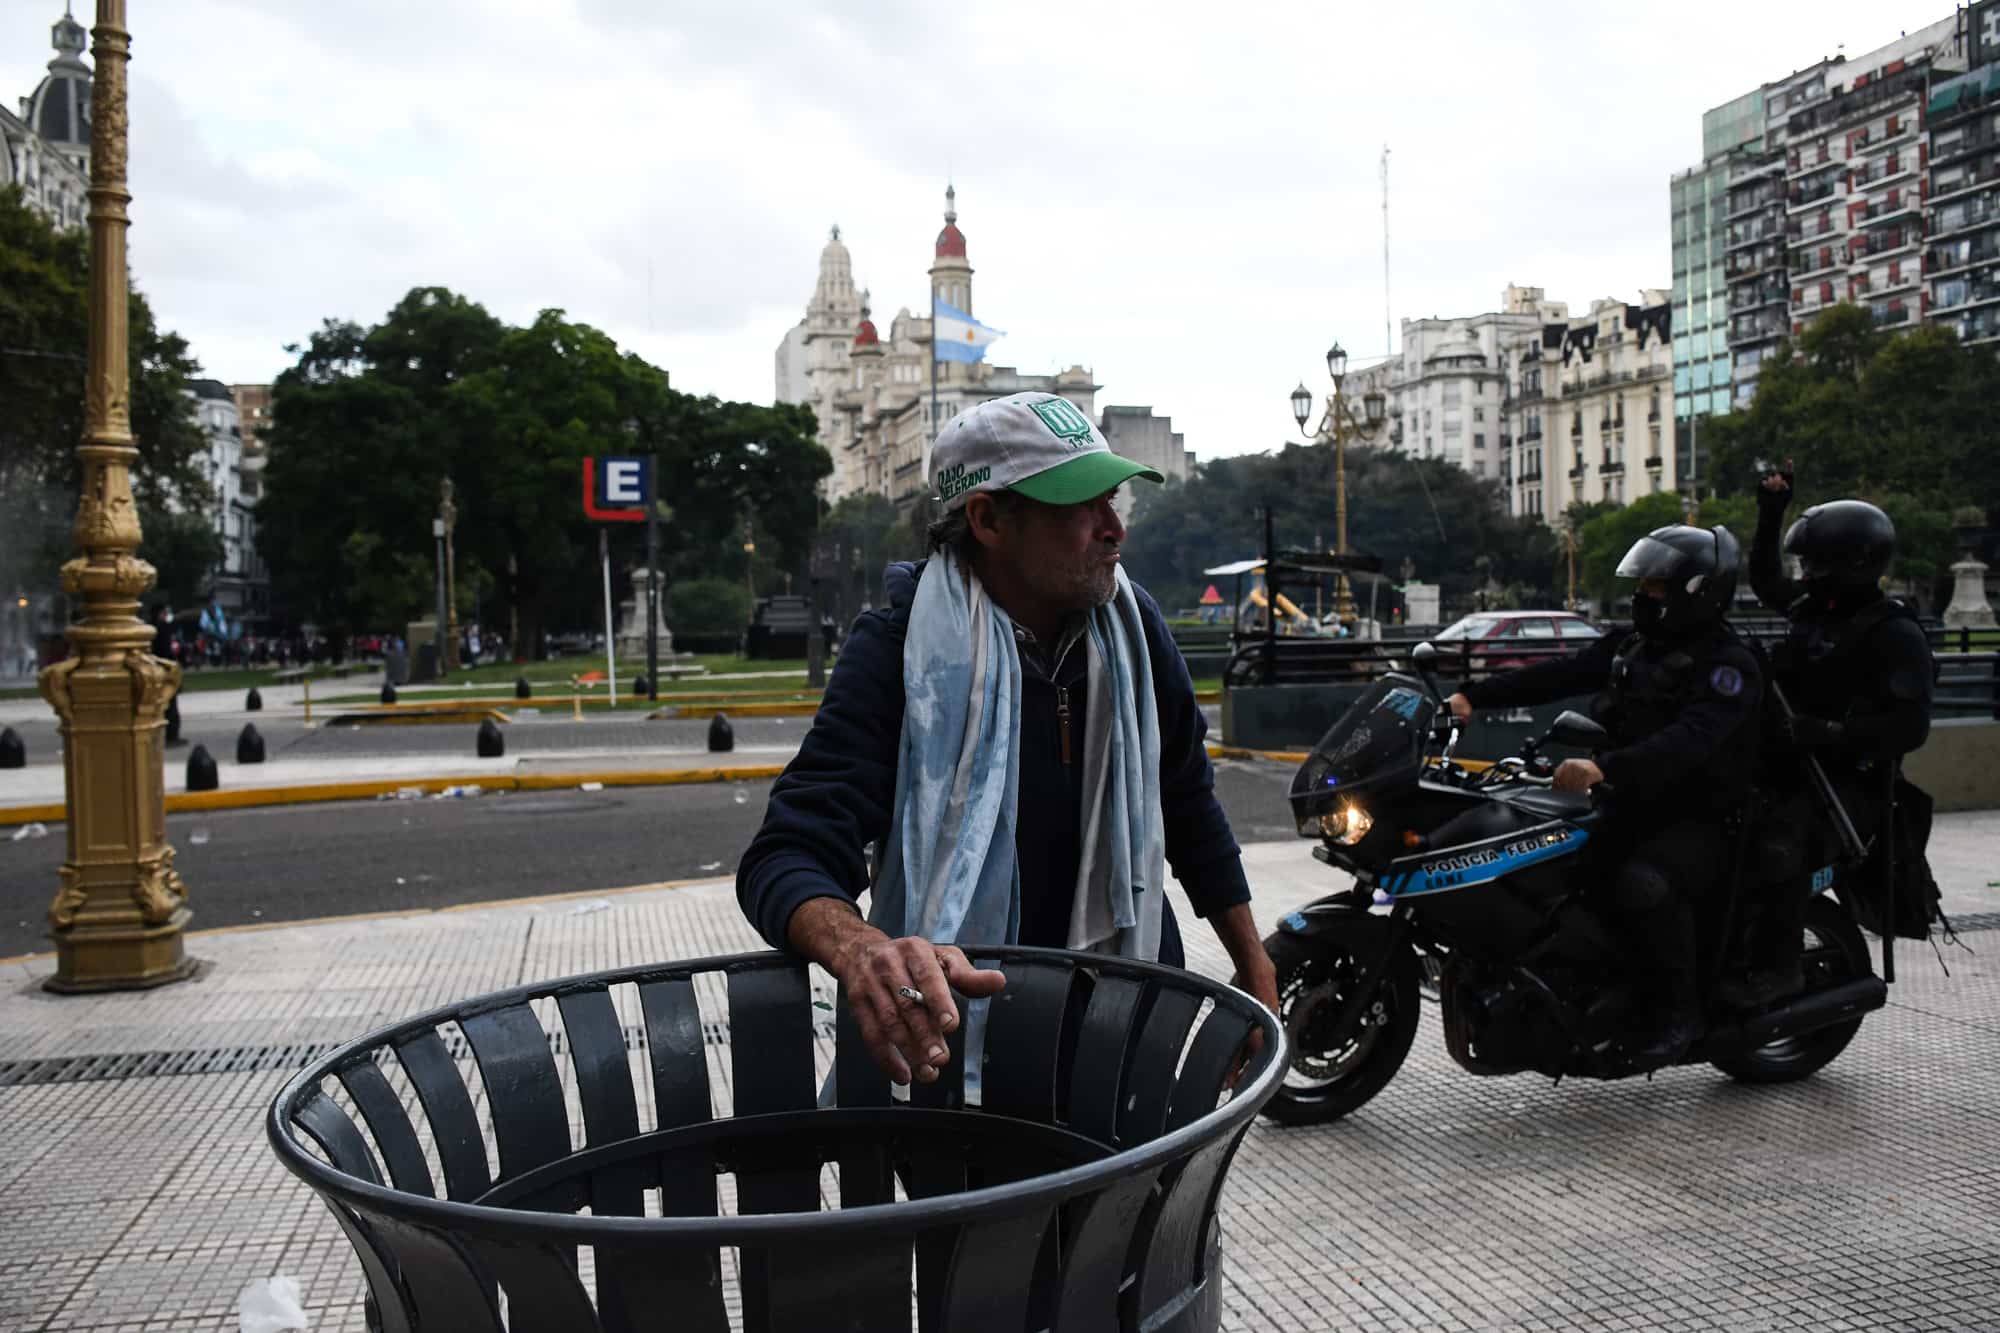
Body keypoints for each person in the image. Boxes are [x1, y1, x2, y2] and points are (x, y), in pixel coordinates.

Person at [737, 391, 1278, 1086]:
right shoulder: (901, 649)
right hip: (955, 1047)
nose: (1114, 529)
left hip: (1131, 1029)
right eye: (1081, 506)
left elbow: (1188, 804)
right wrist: (863, 949)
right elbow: (787, 852)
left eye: (1112, 500)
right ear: (989, 519)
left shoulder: (1135, 628)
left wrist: (1256, 970)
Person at [1446, 525, 1760, 1066]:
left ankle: (1678, 1015)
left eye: (1656, 586)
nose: (1643, 595)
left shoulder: (1728, 664)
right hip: (1631, 802)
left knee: (1642, 885)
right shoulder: (1636, 646)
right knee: (1546, 867)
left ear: (1696, 590)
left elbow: (1689, 742)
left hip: (1702, 817)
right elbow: (1559, 674)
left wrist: (1603, 767)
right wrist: (1473, 697)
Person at [1728, 466, 1934, 1005]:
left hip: (1849, 786)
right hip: (1790, 767)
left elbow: (1909, 728)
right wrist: (1772, 511)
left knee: (1778, 844)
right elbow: (1768, 579)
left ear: (1857, 563)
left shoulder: (1893, 632)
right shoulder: (1816, 608)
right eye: (1807, 562)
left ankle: (1780, 968)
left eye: (1817, 563)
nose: (1808, 574)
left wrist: (1829, 733)